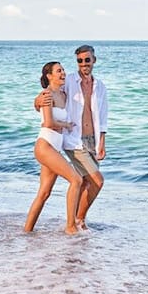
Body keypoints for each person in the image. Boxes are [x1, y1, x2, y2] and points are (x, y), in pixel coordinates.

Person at [35, 44, 107, 230]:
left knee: (86, 184)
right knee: (97, 181)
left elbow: (103, 116)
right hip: (74, 139)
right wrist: (37, 101)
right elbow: (50, 91)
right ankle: (77, 221)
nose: (83, 64)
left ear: (94, 61)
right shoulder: (70, 81)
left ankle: (75, 220)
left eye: (87, 60)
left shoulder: (100, 87)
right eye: (80, 61)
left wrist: (102, 143)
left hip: (92, 140)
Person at [24, 62, 82, 235]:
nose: (63, 73)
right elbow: (48, 123)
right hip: (45, 146)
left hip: (54, 148)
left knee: (44, 193)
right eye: (58, 71)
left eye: (63, 70)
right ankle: (70, 227)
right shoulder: (46, 95)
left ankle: (26, 232)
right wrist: (67, 124)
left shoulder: (63, 95)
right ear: (49, 76)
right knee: (76, 180)